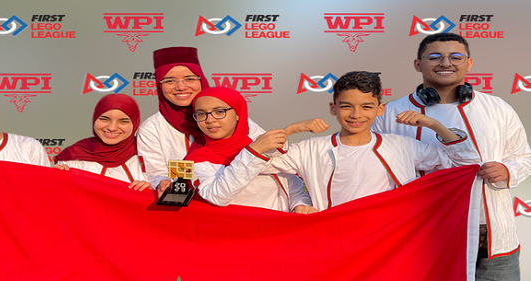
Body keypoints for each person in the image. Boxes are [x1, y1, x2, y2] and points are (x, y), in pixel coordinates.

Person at [373, 33, 531, 281]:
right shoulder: (391, 114)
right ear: (418, 64)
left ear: (469, 64)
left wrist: (507, 170)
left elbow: (523, 156)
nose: (446, 62)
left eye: (456, 56)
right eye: (435, 57)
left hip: (491, 236)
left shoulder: (496, 108)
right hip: (423, 241)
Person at [261, 71, 479, 212]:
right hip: (334, 239)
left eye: (366, 107)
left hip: (388, 243)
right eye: (347, 106)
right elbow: (258, 163)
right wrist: (290, 130)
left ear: (380, 109)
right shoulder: (311, 148)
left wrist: (434, 124)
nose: (356, 115)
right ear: (333, 108)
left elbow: (466, 162)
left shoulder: (401, 146)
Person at [136, 46, 265, 193]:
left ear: (201, 80)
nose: (181, 87)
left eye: (189, 79)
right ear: (159, 85)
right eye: (170, 81)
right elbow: (155, 172)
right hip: (183, 200)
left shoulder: (229, 115)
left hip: (239, 197)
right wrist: (162, 182)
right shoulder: (152, 128)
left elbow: (262, 151)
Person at [184, 86, 312, 212]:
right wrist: (254, 152)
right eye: (201, 114)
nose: (210, 120)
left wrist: (300, 204)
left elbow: (292, 186)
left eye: (219, 112)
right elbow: (217, 196)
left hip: (277, 224)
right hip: (233, 225)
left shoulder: (262, 144)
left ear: (238, 114)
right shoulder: (197, 159)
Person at [53, 94, 149, 191]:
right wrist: (55, 180)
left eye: (123, 121)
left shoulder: (148, 155)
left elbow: (157, 186)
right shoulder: (73, 156)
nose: (112, 128)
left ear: (135, 123)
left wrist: (152, 191)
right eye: (104, 119)